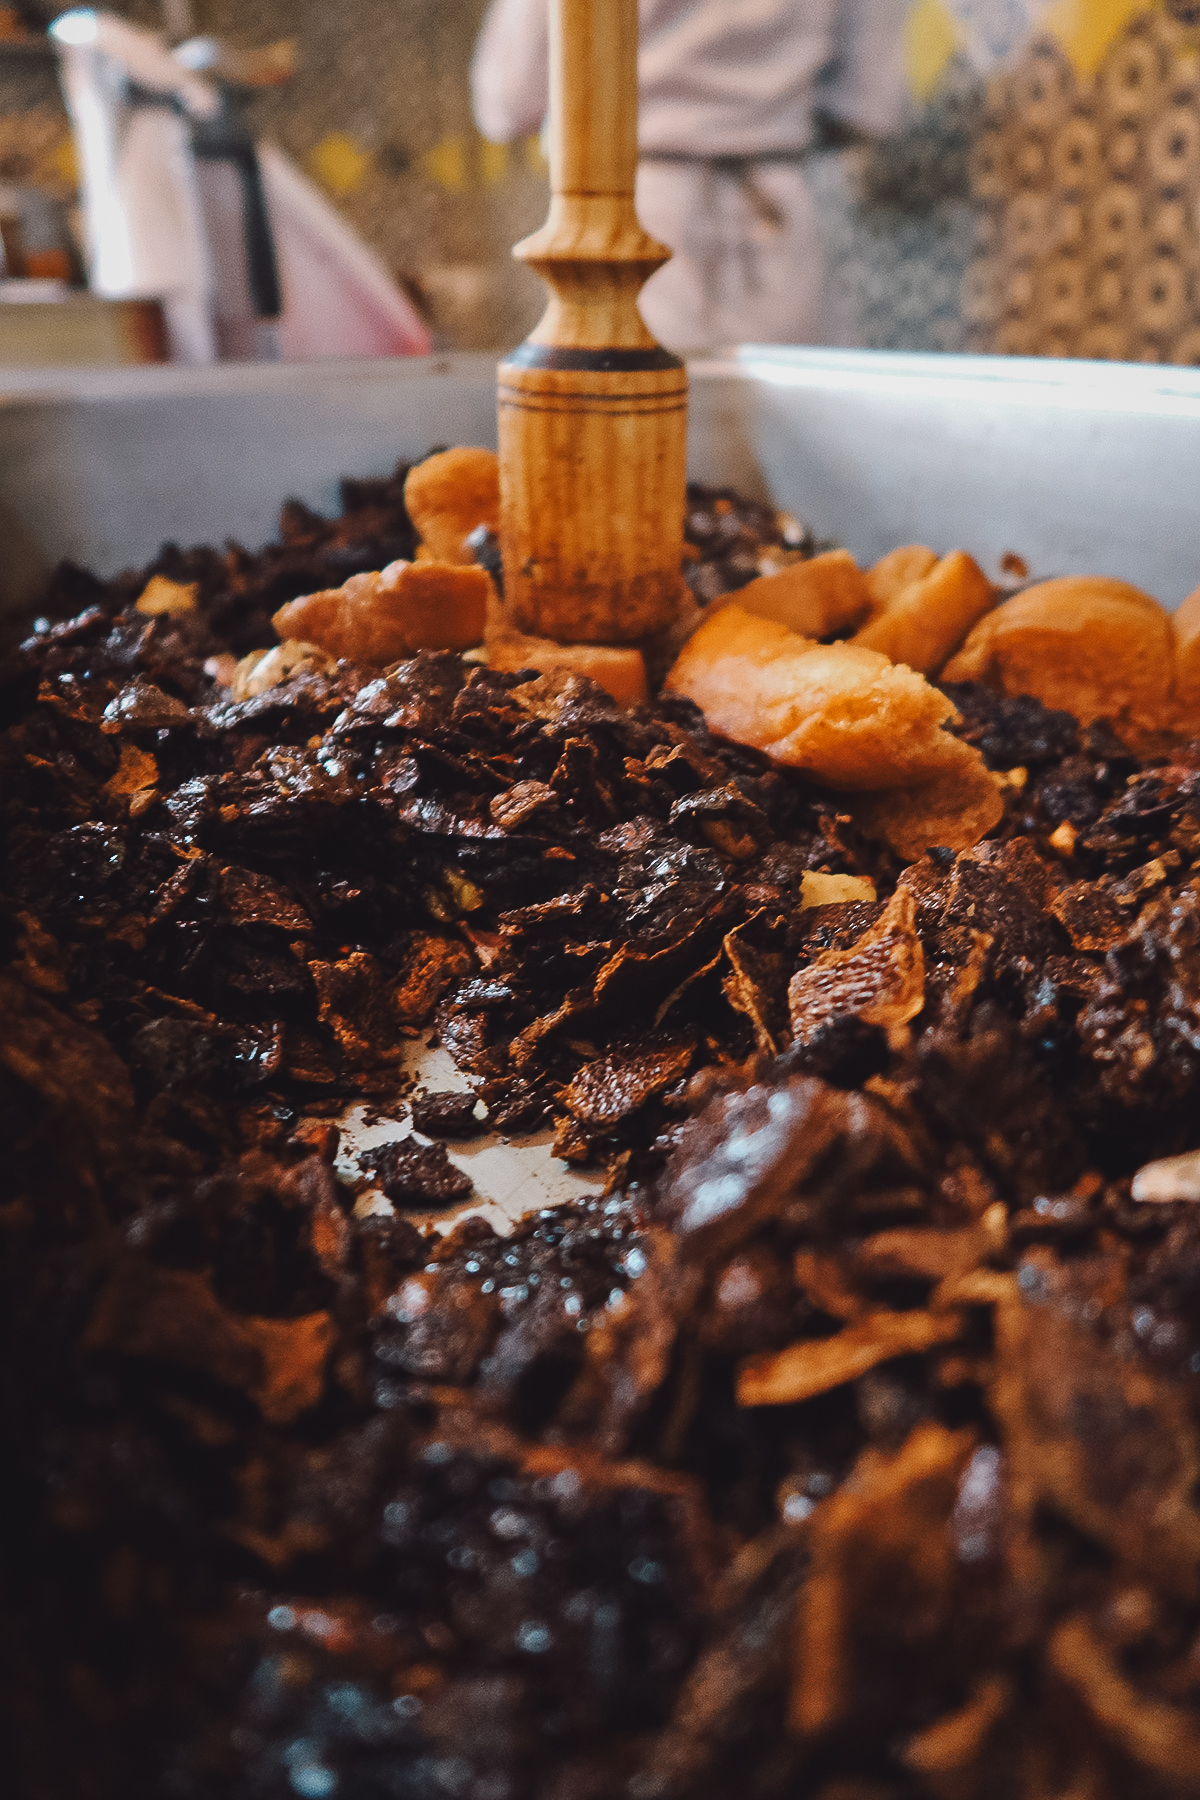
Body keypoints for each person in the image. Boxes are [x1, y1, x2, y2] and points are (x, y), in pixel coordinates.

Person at [471, 0, 910, 351]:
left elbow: (506, 102)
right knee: (797, 445)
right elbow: (869, 106)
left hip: (629, 208)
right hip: (777, 212)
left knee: (634, 438)